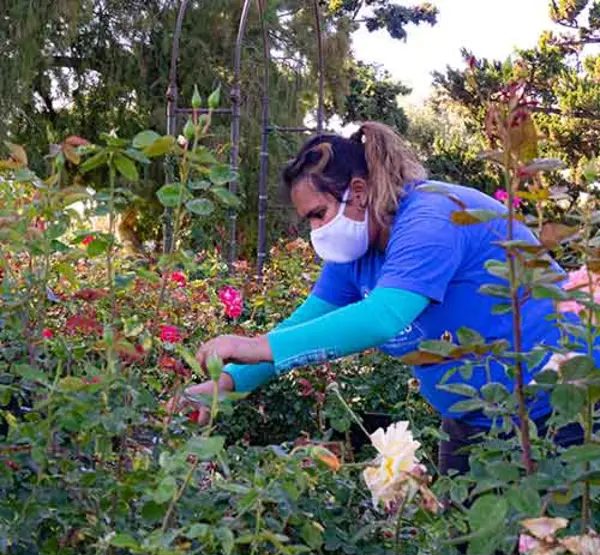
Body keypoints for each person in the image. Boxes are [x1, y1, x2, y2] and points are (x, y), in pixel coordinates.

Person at [177, 121, 587, 475]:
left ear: (357, 191)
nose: (315, 230)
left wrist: (248, 345)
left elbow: (384, 317)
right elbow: (299, 329)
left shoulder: (430, 218)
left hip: (560, 402)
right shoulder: (356, 251)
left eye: (318, 214)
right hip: (474, 416)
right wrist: (226, 384)